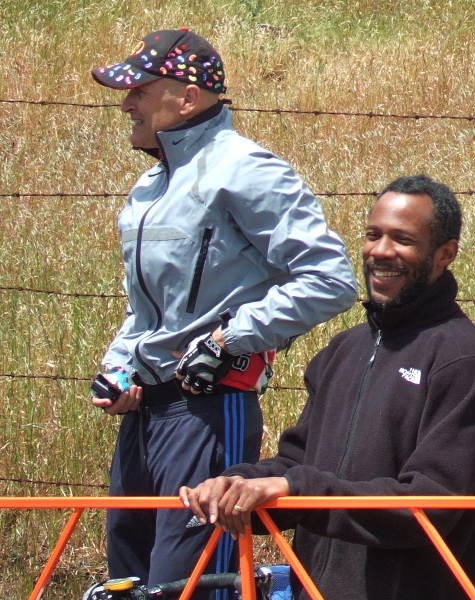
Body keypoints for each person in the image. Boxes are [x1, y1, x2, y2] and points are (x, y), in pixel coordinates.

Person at [88, 28, 358, 595]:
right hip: (144, 422)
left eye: (139, 88)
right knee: (127, 585)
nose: (126, 102)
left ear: (187, 98)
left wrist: (230, 340)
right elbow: (147, 312)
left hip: (209, 412)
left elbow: (330, 277)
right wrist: (119, 372)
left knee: (182, 587)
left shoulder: (247, 169)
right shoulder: (149, 184)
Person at [180, 174, 475, 600]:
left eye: (403, 239)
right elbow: (297, 462)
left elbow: (430, 504)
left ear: (445, 254)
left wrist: (299, 489)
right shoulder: (344, 349)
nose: (381, 251)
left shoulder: (463, 361)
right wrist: (238, 484)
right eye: (373, 235)